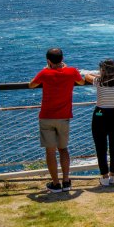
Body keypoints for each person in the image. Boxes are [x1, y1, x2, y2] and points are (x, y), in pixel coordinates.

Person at [28, 48, 85, 193]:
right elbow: (82, 82)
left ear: (48, 60)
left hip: (47, 116)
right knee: (63, 149)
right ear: (62, 59)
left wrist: (46, 69)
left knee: (50, 151)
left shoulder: (45, 73)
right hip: (64, 116)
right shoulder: (71, 71)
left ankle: (55, 184)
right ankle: (66, 182)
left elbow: (31, 85)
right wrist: (65, 69)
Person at [84, 59, 114, 186]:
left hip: (100, 114)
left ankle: (104, 177)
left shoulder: (99, 81)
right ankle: (113, 176)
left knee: (101, 147)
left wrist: (99, 75)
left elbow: (86, 76)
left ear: (103, 70)